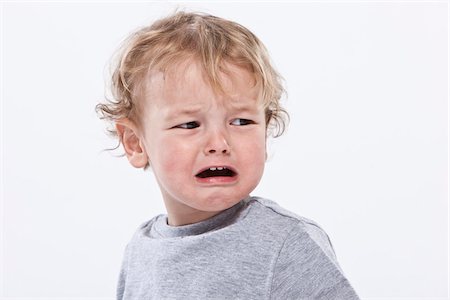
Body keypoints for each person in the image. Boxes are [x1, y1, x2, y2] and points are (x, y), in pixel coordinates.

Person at [96, 10, 360, 300]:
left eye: (241, 122)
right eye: (189, 124)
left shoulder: (285, 244)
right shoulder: (140, 252)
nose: (219, 142)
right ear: (135, 143)